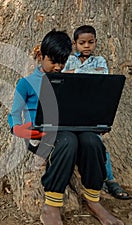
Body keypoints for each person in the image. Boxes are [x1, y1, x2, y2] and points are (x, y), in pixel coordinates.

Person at [8, 29, 124, 225]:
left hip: (71, 129)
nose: (57, 67)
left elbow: (83, 107)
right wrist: (18, 129)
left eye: (61, 62)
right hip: (41, 135)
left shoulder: (71, 78)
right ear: (40, 56)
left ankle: (93, 200)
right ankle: (51, 206)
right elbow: (13, 114)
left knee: (92, 141)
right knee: (68, 141)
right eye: (52, 61)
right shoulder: (26, 83)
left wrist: (97, 123)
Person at [62, 25, 131, 200]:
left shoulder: (100, 61)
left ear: (95, 43)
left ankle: (110, 179)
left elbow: (103, 76)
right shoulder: (70, 60)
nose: (86, 46)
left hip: (92, 110)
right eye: (82, 42)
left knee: (98, 144)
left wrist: (77, 73)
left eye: (90, 42)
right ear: (75, 44)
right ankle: (94, 181)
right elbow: (64, 77)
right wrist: (82, 73)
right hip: (72, 110)